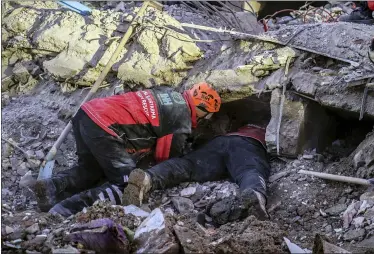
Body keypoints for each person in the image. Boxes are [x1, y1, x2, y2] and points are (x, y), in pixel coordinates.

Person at [30, 83, 221, 217]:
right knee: (128, 184)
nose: (206, 119)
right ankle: (65, 210)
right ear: (202, 108)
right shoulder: (181, 118)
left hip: (88, 113)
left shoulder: (167, 92)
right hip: (106, 127)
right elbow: (165, 158)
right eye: (208, 115)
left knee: (92, 169)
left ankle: (50, 188)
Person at [122, 124, 271, 225]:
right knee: (249, 170)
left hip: (219, 141)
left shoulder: (239, 128)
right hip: (249, 144)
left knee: (189, 165)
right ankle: (254, 196)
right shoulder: (264, 130)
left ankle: (148, 178)